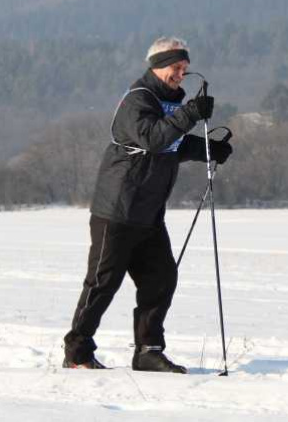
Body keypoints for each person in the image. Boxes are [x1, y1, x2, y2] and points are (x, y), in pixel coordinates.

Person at [63, 36, 233, 373]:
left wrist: (208, 149)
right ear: (157, 66)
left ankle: (148, 352)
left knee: (161, 279)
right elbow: (153, 138)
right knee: (102, 284)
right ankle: (77, 353)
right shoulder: (138, 100)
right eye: (176, 67)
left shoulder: (170, 103)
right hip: (117, 211)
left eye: (185, 69)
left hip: (149, 215)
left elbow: (173, 144)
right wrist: (189, 114)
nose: (181, 75)